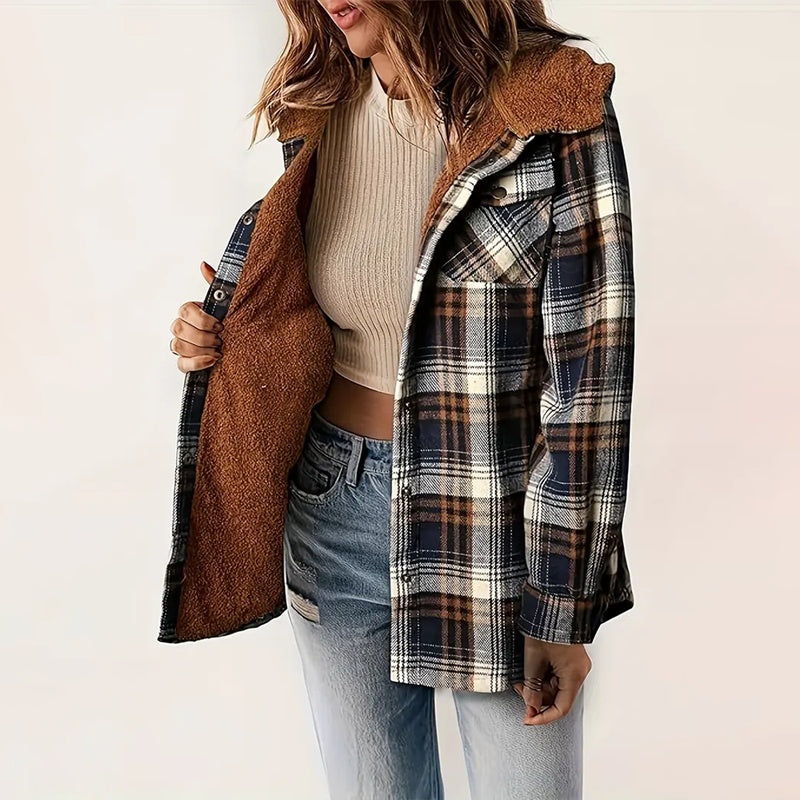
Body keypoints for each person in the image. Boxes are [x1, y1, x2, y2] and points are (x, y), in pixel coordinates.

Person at [163, 1, 636, 798]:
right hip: (331, 511)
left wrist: (562, 605)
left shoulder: (550, 103)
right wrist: (221, 336)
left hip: (490, 528)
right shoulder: (321, 107)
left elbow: (590, 381)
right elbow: (316, 313)